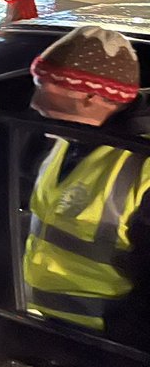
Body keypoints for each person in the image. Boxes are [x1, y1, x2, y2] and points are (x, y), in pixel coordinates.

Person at [23, 26, 150, 346]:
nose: (34, 102)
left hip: (104, 347)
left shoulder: (143, 167)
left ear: (92, 96)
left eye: (45, 86)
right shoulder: (68, 140)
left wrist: (120, 347)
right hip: (50, 331)